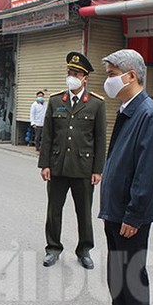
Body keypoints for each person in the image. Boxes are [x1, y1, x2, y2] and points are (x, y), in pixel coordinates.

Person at [87, 49, 153, 305]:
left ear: (130, 75)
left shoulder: (148, 115)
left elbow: (146, 173)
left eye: (111, 75)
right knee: (117, 272)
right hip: (116, 209)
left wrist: (134, 215)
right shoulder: (127, 109)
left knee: (132, 274)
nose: (107, 81)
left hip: (130, 214)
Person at [38, 52, 106, 270]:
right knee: (53, 210)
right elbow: (47, 135)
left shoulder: (96, 104)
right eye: (69, 72)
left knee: (84, 212)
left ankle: (84, 250)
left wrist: (98, 170)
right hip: (57, 166)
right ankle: (53, 248)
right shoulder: (56, 100)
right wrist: (45, 164)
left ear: (85, 78)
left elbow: (100, 139)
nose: (71, 77)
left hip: (83, 168)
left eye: (76, 73)